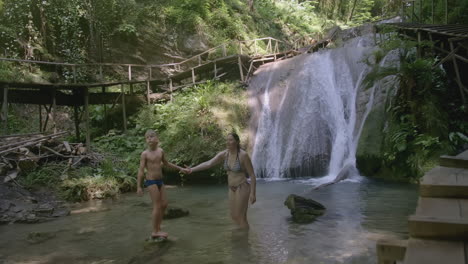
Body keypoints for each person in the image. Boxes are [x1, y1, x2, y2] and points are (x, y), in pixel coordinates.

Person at [182, 133, 256, 228]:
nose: (228, 142)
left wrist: (253, 193)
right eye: (227, 140)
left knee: (240, 217)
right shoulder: (224, 154)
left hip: (242, 186)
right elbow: (209, 163)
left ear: (237, 142)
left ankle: (244, 238)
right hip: (231, 188)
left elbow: (252, 175)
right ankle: (242, 238)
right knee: (233, 216)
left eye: (231, 140)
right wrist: (192, 169)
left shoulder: (243, 156)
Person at [137, 129, 183, 238]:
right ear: (146, 140)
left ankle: (158, 227)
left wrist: (180, 168)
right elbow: (141, 170)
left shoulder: (160, 151)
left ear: (157, 139)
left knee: (164, 204)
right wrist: (138, 186)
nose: (150, 139)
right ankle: (155, 231)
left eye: (152, 136)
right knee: (157, 205)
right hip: (151, 181)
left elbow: (167, 163)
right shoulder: (145, 154)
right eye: (147, 137)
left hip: (160, 181)